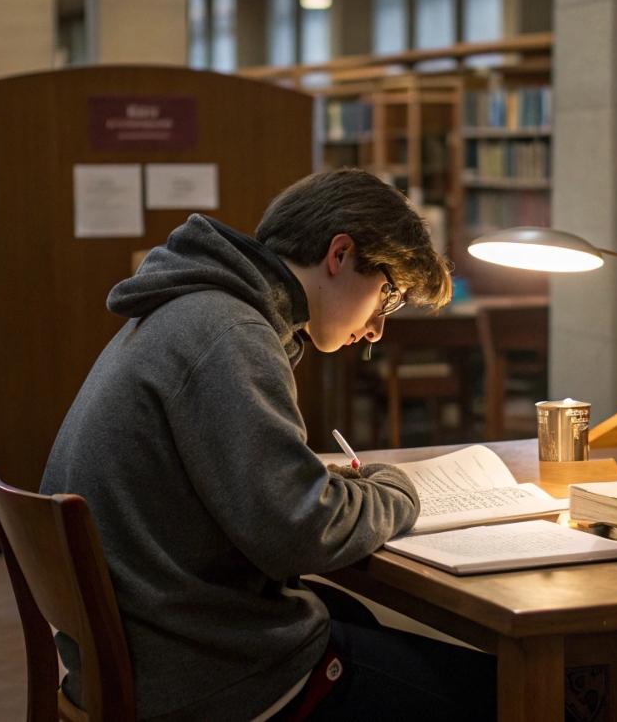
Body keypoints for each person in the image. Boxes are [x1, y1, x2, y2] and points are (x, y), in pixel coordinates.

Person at [41, 169, 498, 722]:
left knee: (353, 617)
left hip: (154, 645)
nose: (378, 328)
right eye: (388, 294)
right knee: (503, 693)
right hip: (199, 675)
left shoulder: (196, 308)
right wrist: (399, 490)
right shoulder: (229, 333)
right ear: (340, 254)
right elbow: (302, 530)